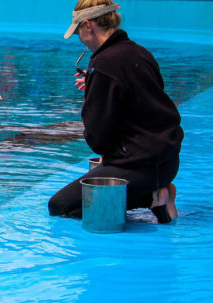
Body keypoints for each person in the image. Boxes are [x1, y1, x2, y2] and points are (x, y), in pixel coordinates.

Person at [48, 0, 184, 223]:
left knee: (61, 207)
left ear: (89, 26)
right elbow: (140, 99)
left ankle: (153, 197)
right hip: (168, 161)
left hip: (138, 167)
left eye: (78, 32)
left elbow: (98, 138)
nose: (80, 39)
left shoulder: (103, 64)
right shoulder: (139, 53)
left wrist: (95, 87)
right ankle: (158, 193)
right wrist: (96, 84)